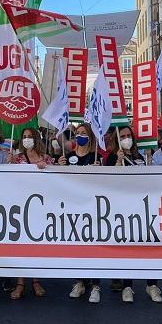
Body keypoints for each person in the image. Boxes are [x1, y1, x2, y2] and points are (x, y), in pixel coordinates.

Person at [104, 126, 161, 303]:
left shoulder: (140, 157)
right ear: (117, 140)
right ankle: (127, 285)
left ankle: (152, 285)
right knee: (127, 248)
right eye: (123, 136)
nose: (127, 138)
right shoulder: (112, 157)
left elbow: (151, 180)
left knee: (149, 247)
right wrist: (117, 163)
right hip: (123, 209)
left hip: (144, 208)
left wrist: (150, 163)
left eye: (129, 136)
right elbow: (107, 181)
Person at [58, 124, 103, 303]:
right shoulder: (68, 157)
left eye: (84, 133)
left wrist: (100, 170)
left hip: (93, 209)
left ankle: (95, 285)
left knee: (95, 247)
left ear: (90, 137)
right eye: (78, 133)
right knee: (77, 247)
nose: (80, 136)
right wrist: (59, 166)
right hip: (74, 210)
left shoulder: (96, 157)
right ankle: (79, 282)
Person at [9, 127, 50, 299]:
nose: (27, 139)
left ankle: (35, 280)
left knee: (37, 244)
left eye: (30, 137)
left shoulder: (46, 158)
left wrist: (47, 167)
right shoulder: (17, 159)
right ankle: (20, 282)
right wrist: (8, 165)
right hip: (21, 205)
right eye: (24, 137)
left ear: (36, 138)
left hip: (41, 206)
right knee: (21, 245)